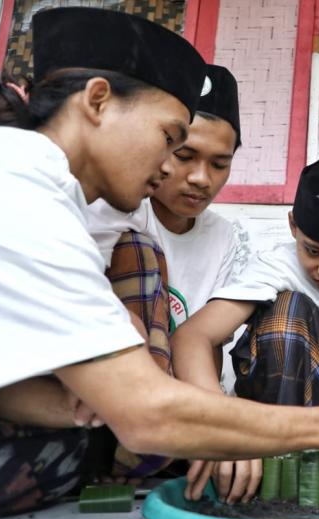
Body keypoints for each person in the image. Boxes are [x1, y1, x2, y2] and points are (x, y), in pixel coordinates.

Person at [0, 7, 319, 519]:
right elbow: (149, 417)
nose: (169, 167)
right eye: (169, 139)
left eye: (214, 160)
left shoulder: (29, 180)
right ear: (98, 101)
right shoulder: (18, 189)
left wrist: (96, 400)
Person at [171, 155, 319, 502]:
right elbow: (192, 336)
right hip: (270, 439)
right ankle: (279, 483)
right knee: (290, 311)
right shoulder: (275, 268)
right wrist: (220, 426)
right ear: (293, 226)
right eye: (313, 251)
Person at [83, 64, 250, 480]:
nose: (200, 179)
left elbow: (209, 343)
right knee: (138, 253)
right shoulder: (122, 209)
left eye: (219, 164)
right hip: (119, 406)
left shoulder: (225, 237)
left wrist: (212, 426)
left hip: (189, 404)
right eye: (185, 156)